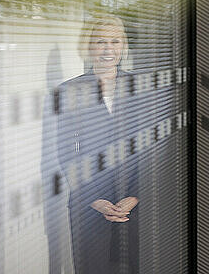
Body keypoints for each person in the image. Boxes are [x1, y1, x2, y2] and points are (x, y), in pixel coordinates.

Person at [56, 14, 140, 273]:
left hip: (136, 205)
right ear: (89, 46)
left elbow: (153, 151)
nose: (108, 49)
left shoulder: (141, 87)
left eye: (115, 41)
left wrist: (135, 196)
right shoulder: (69, 91)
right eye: (101, 42)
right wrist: (95, 200)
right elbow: (66, 152)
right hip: (88, 205)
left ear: (123, 46)